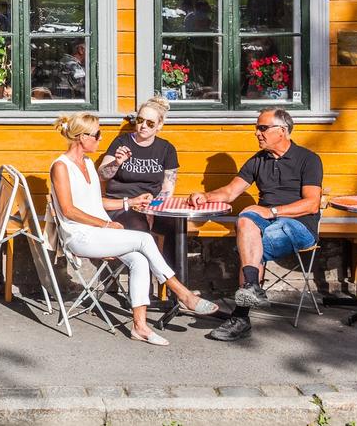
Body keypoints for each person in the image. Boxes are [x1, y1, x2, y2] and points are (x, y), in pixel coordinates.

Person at [49, 112, 218, 346]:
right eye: (97, 134)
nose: (101, 139)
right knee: (143, 240)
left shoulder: (87, 163)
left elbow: (97, 203)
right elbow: (68, 210)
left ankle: (140, 326)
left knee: (139, 259)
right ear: (81, 137)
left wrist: (131, 202)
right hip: (80, 235)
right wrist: (107, 224)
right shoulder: (61, 167)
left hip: (100, 233)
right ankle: (183, 293)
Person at [191, 107, 323, 342]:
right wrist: (206, 195)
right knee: (245, 219)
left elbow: (312, 204)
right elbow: (231, 191)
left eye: (262, 128)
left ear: (282, 131)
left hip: (299, 226)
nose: (257, 133)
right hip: (266, 224)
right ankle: (252, 286)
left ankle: (241, 318)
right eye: (257, 128)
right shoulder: (257, 161)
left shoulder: (308, 159)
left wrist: (270, 211)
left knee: (253, 243)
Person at [98, 95, 180, 267]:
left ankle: (172, 285)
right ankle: (145, 288)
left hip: (152, 206)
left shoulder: (166, 149)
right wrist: (117, 162)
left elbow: (167, 188)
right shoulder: (122, 142)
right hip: (121, 206)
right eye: (140, 120)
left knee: (175, 227)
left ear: (159, 125)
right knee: (138, 225)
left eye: (150, 123)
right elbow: (102, 175)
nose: (143, 126)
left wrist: (152, 210)